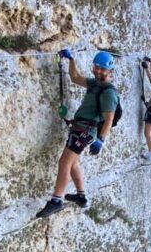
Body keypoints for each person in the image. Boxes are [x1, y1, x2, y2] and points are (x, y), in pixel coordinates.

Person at [36, 49, 119, 217]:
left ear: (111, 71)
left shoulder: (109, 93)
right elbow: (75, 77)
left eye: (102, 69)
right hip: (80, 128)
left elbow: (109, 119)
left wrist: (101, 141)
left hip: (86, 130)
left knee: (64, 162)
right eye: (96, 67)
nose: (98, 71)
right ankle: (81, 196)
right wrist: (71, 59)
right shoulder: (95, 84)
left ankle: (56, 200)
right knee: (73, 163)